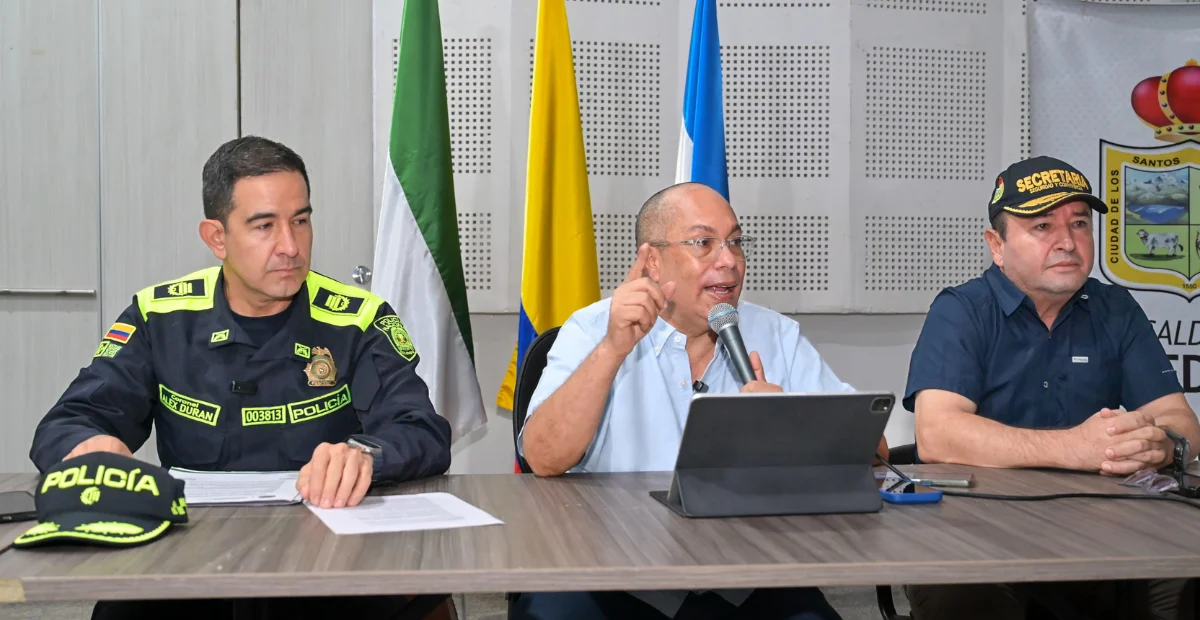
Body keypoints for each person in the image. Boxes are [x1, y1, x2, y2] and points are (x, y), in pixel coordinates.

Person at [29, 136, 453, 620]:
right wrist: (88, 447)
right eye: (264, 226)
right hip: (192, 553)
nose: (290, 247)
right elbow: (71, 420)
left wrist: (365, 455)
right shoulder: (159, 317)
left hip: (327, 556)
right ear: (217, 237)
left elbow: (422, 429)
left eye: (300, 221)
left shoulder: (357, 321)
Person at [512, 182, 886, 620]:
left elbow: (874, 450)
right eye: (704, 243)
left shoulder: (777, 335)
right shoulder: (592, 329)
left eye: (735, 242)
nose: (729, 261)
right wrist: (612, 350)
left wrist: (793, 423)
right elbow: (542, 457)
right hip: (613, 570)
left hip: (747, 577)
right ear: (653, 260)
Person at [902, 156, 1199, 620]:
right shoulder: (962, 310)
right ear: (996, 246)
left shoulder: (1115, 308)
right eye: (1042, 227)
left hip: (1099, 525)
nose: (1067, 241)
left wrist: (1158, 446)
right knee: (967, 600)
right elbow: (937, 437)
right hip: (976, 529)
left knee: (1185, 580)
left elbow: (1182, 423)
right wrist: (1076, 448)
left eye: (1079, 223)